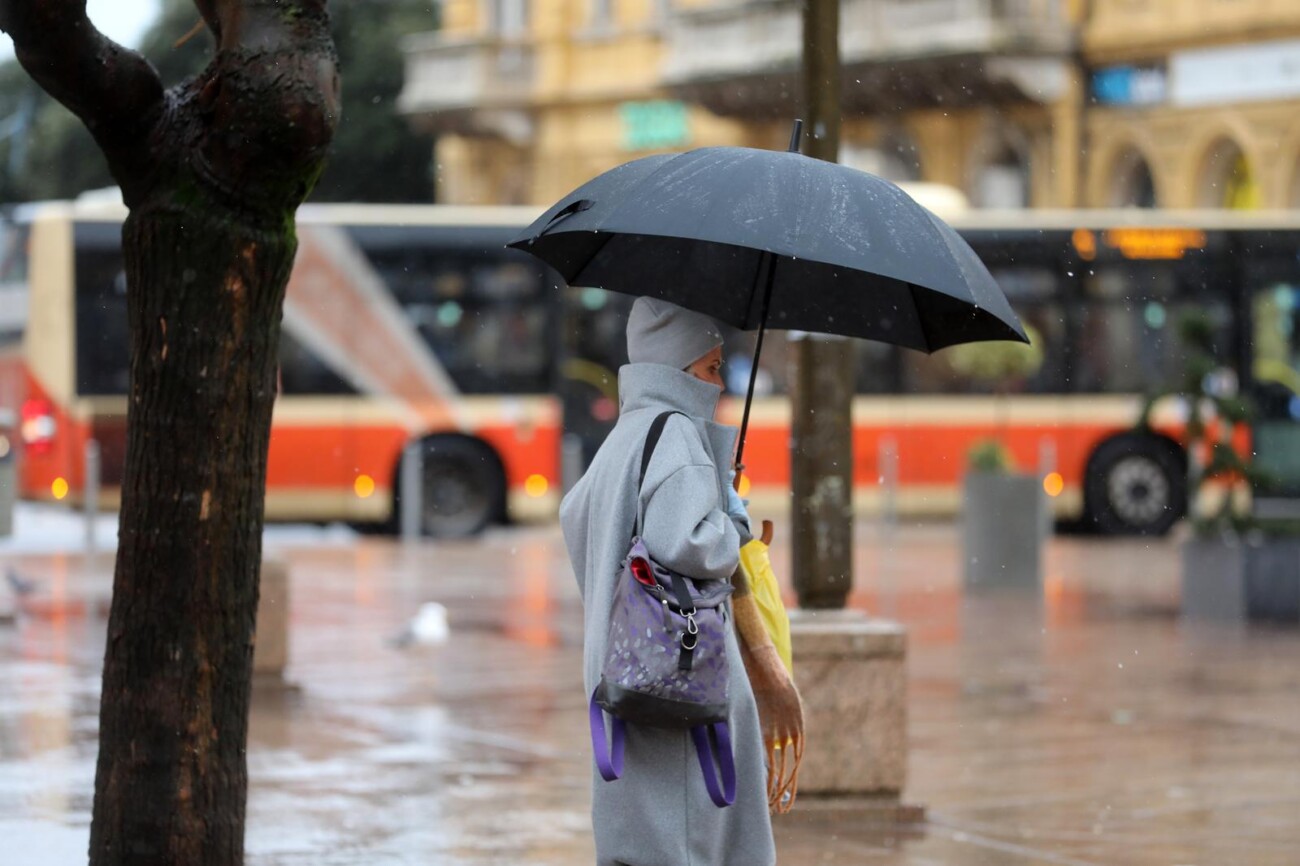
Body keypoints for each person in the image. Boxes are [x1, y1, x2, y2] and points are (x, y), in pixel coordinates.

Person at [560, 297, 800, 866]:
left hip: (625, 665)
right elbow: (687, 544)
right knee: (696, 832)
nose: (719, 382)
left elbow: (577, 518)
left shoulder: (626, 433)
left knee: (642, 835)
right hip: (682, 673)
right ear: (678, 367)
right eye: (711, 367)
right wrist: (731, 520)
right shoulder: (677, 435)